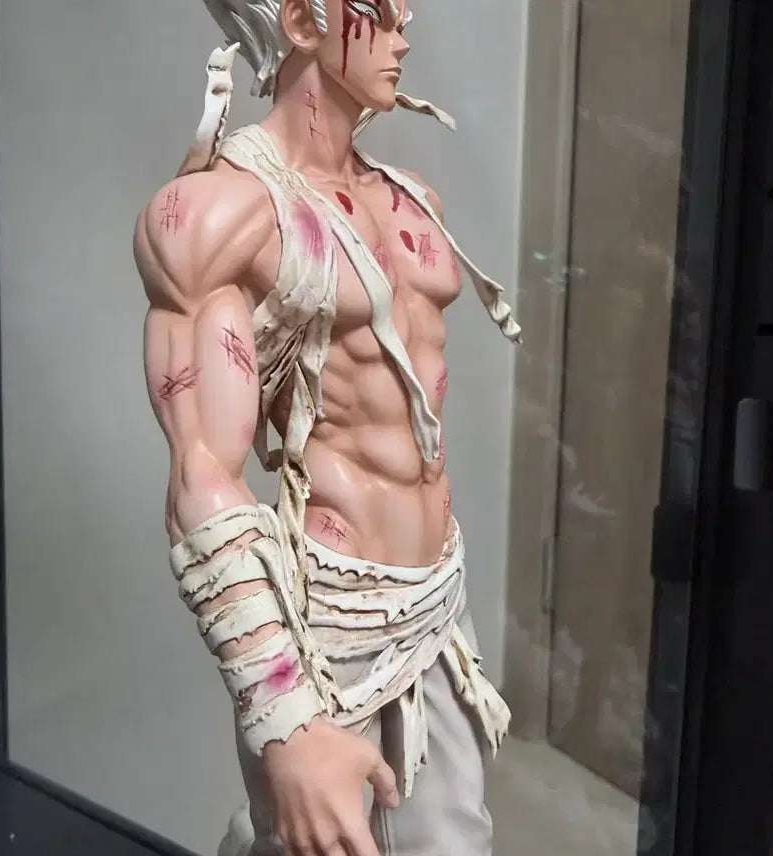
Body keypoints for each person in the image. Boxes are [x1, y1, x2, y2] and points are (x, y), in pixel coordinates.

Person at [133, 2, 521, 854]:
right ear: (304, 21)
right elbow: (202, 474)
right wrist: (284, 716)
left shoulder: (412, 199)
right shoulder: (219, 218)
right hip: (328, 625)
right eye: (377, 10)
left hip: (437, 599)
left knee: (454, 838)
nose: (404, 31)